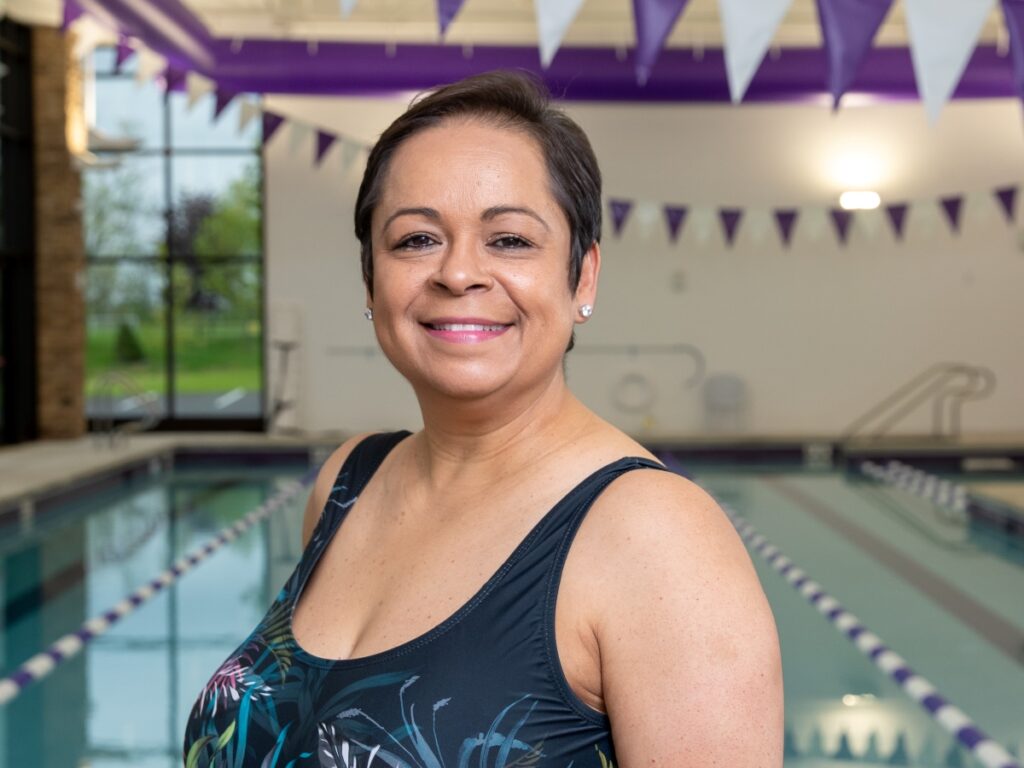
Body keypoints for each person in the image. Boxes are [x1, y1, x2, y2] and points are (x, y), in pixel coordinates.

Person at [184, 70, 782, 767]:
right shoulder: (350, 482)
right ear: (370, 280)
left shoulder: (655, 537)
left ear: (582, 277)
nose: (459, 273)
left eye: (509, 240)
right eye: (414, 240)